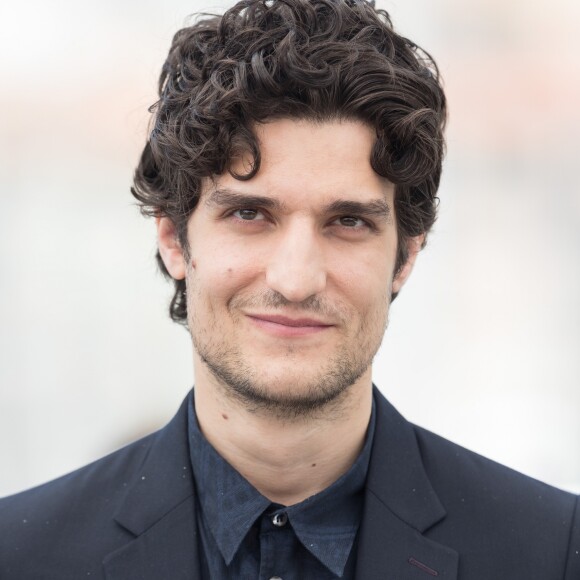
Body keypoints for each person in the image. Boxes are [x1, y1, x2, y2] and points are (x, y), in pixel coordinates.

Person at [0, 0, 578, 577]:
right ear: (175, 240)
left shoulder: (551, 552)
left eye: (348, 222)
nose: (296, 279)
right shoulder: (20, 555)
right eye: (250, 214)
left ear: (405, 256)